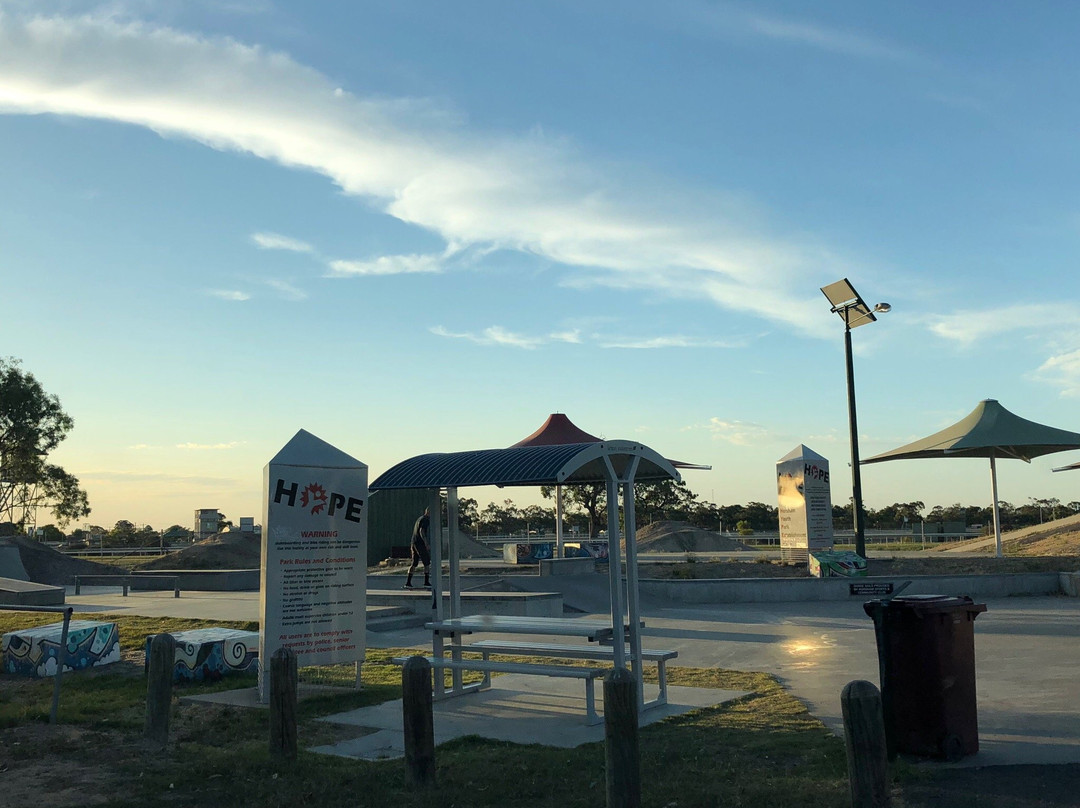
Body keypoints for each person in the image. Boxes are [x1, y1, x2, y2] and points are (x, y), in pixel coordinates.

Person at [404, 507, 431, 589]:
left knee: (414, 563)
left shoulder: (419, 518)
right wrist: (426, 542)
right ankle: (426, 582)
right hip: (420, 543)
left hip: (414, 542)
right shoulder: (426, 520)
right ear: (429, 512)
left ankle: (408, 583)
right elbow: (421, 531)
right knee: (427, 562)